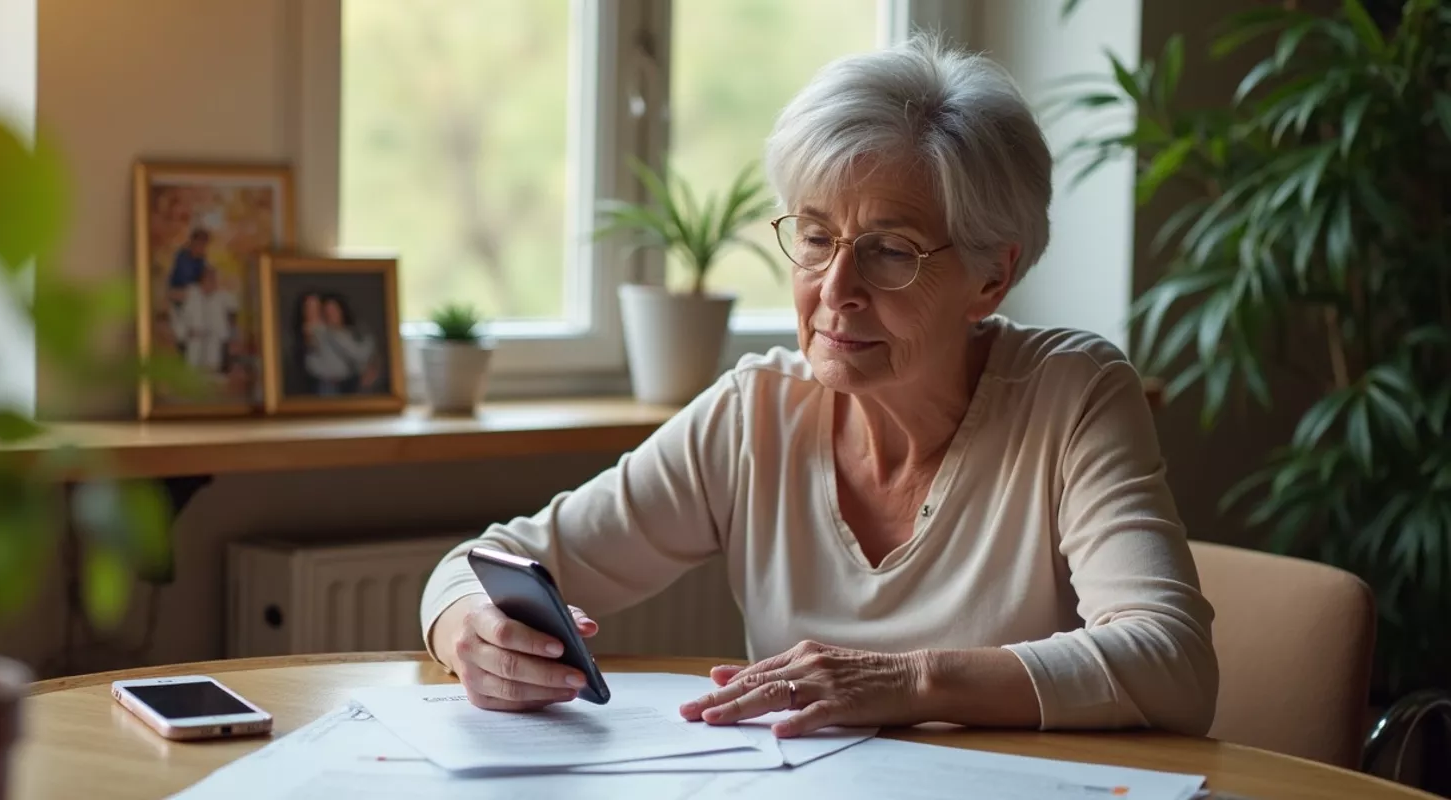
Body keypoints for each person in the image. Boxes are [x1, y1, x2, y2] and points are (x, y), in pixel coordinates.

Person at [417, 32, 1218, 739]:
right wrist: (468, 631)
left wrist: (909, 682)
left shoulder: (1073, 397)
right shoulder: (756, 414)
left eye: (890, 250)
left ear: (991, 276)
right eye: (815, 236)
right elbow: (486, 562)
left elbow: (1173, 664)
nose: (835, 289)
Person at [302, 293, 378, 395]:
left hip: (355, 385)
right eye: (326, 311)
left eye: (333, 310)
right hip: (328, 387)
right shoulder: (319, 333)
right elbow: (312, 362)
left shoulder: (356, 332)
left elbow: (365, 354)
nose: (330, 315)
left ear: (341, 310)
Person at [169, 266, 238, 374]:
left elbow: (233, 312)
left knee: (213, 372)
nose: (213, 281)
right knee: (192, 373)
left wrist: (229, 334)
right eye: (209, 278)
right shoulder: (191, 293)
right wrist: (185, 332)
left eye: (214, 278)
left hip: (215, 342)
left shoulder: (222, 296)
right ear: (202, 280)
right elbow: (178, 315)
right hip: (194, 341)